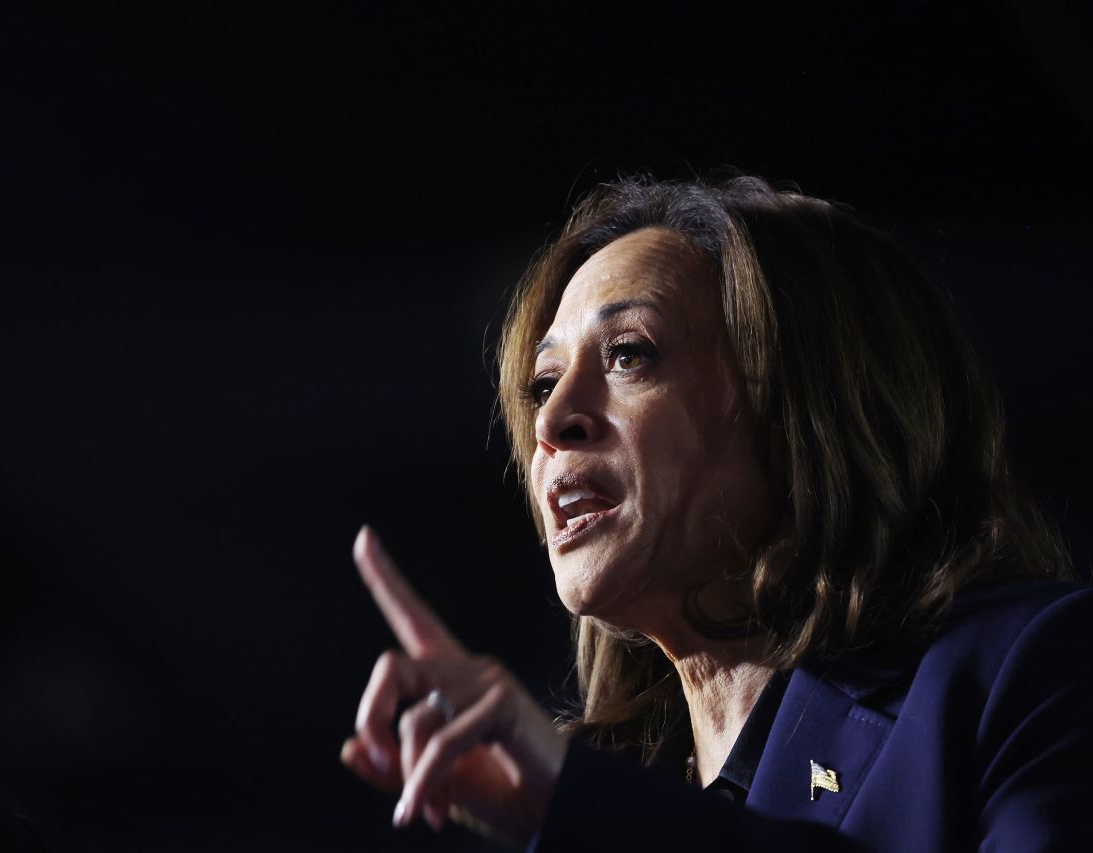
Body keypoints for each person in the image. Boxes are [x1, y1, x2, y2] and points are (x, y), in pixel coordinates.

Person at [339, 175, 1088, 850]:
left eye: (629, 354)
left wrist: (586, 809)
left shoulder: (1030, 670)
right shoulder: (610, 802)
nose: (553, 420)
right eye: (542, 383)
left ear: (806, 410)